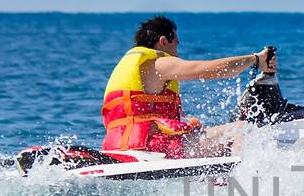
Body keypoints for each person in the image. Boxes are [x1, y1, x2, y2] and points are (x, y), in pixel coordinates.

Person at [101, 16, 276, 158]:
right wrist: (255, 59)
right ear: (163, 41)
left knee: (201, 131)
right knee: (241, 129)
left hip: (122, 146)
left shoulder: (129, 65)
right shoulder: (158, 64)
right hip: (154, 147)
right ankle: (234, 187)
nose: (177, 51)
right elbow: (212, 70)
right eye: (176, 43)